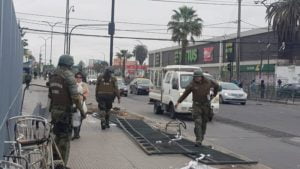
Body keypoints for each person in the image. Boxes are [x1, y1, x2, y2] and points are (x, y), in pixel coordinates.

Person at [48, 54, 85, 169]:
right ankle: (62, 165)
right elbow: (75, 97)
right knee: (65, 140)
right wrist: (82, 111)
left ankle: (55, 163)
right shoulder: (68, 76)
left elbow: (50, 95)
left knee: (57, 137)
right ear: (69, 64)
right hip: (65, 113)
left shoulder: (53, 75)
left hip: (55, 112)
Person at [175, 70, 219, 147]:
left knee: (204, 123)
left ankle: (201, 138)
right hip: (196, 105)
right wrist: (178, 102)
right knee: (198, 122)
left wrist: (214, 94)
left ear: (201, 77)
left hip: (206, 106)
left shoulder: (208, 82)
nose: (196, 78)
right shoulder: (192, 84)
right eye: (195, 77)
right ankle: (198, 140)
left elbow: (217, 86)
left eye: (198, 77)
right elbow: (185, 94)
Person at [72, 72, 89, 140]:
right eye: (77, 77)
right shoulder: (72, 84)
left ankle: (77, 133)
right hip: (73, 104)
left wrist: (83, 97)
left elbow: (86, 93)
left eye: (80, 77)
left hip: (81, 103)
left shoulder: (84, 85)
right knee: (74, 118)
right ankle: (75, 132)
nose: (78, 79)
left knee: (80, 118)